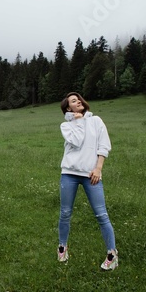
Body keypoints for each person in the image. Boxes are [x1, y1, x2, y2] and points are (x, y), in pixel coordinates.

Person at [57, 92, 118, 270]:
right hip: (69, 173)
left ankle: (112, 255)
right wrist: (77, 121)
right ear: (69, 108)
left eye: (79, 99)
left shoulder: (96, 121)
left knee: (101, 214)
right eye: (74, 101)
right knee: (65, 213)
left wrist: (98, 168)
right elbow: (76, 141)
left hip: (91, 174)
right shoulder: (66, 126)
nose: (79, 102)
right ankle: (62, 248)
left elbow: (104, 145)